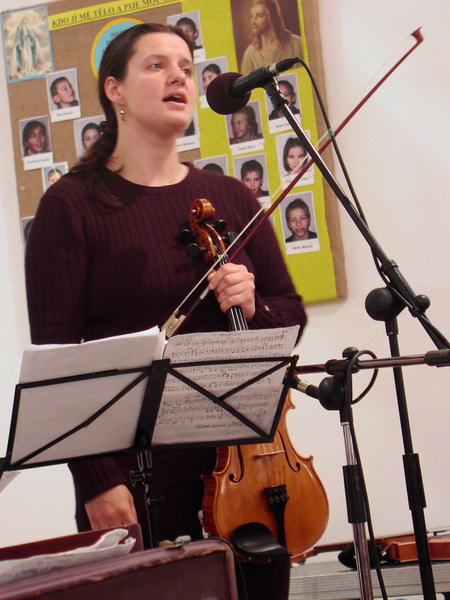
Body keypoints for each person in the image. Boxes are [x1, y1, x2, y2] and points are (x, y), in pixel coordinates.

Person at [25, 23, 306, 600]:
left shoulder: (231, 198)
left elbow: (291, 314)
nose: (179, 75)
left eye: (185, 64)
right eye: (156, 65)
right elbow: (59, 359)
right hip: (137, 482)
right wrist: (97, 482)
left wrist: (253, 305)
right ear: (116, 91)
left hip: (253, 477)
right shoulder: (71, 205)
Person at [240, 0, 303, 75]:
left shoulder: (296, 44)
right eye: (252, 16)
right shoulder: (250, 54)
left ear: (271, 17)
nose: (253, 22)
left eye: (259, 16)